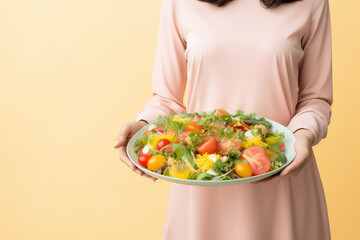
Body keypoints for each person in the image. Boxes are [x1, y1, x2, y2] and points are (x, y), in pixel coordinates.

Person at [114, 0, 333, 239]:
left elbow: (316, 98)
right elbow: (166, 99)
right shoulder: (179, 3)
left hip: (283, 178)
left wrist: (303, 134)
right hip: (200, 185)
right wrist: (144, 125)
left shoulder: (312, 2)